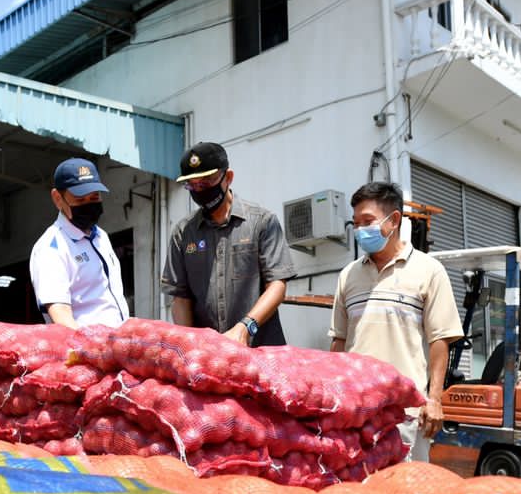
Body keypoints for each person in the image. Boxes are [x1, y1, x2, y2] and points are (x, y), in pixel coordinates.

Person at [329, 182, 463, 462]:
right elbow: (339, 341)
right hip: (358, 414)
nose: (360, 231)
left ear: (394, 220)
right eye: (356, 223)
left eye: (367, 221)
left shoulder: (429, 271)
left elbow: (440, 339)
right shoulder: (348, 276)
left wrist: (434, 399)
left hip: (407, 416)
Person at [161, 142, 296, 346]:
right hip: (209, 356)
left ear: (228, 177)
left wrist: (246, 328)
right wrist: (190, 344)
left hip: (262, 351)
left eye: (206, 183)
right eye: (192, 185)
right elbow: (180, 298)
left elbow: (277, 285)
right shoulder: (183, 233)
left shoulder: (262, 222)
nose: (199, 191)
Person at [28, 158, 129, 328]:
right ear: (58, 199)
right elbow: (60, 315)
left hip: (117, 346)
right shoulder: (51, 248)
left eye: (94, 197)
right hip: (85, 351)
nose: (89, 205)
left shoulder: (101, 237)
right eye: (80, 200)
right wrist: (90, 350)